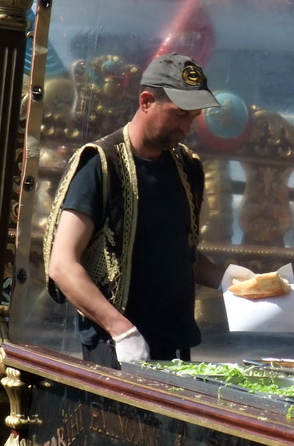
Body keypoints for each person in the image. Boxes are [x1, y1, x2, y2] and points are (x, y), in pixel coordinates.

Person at [44, 52, 254, 368]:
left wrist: (226, 278)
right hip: (114, 348)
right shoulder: (100, 165)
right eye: (179, 114)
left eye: (193, 117)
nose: (187, 127)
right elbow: (62, 265)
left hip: (175, 346)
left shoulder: (187, 167)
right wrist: (121, 331)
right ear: (145, 101)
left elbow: (177, 253)